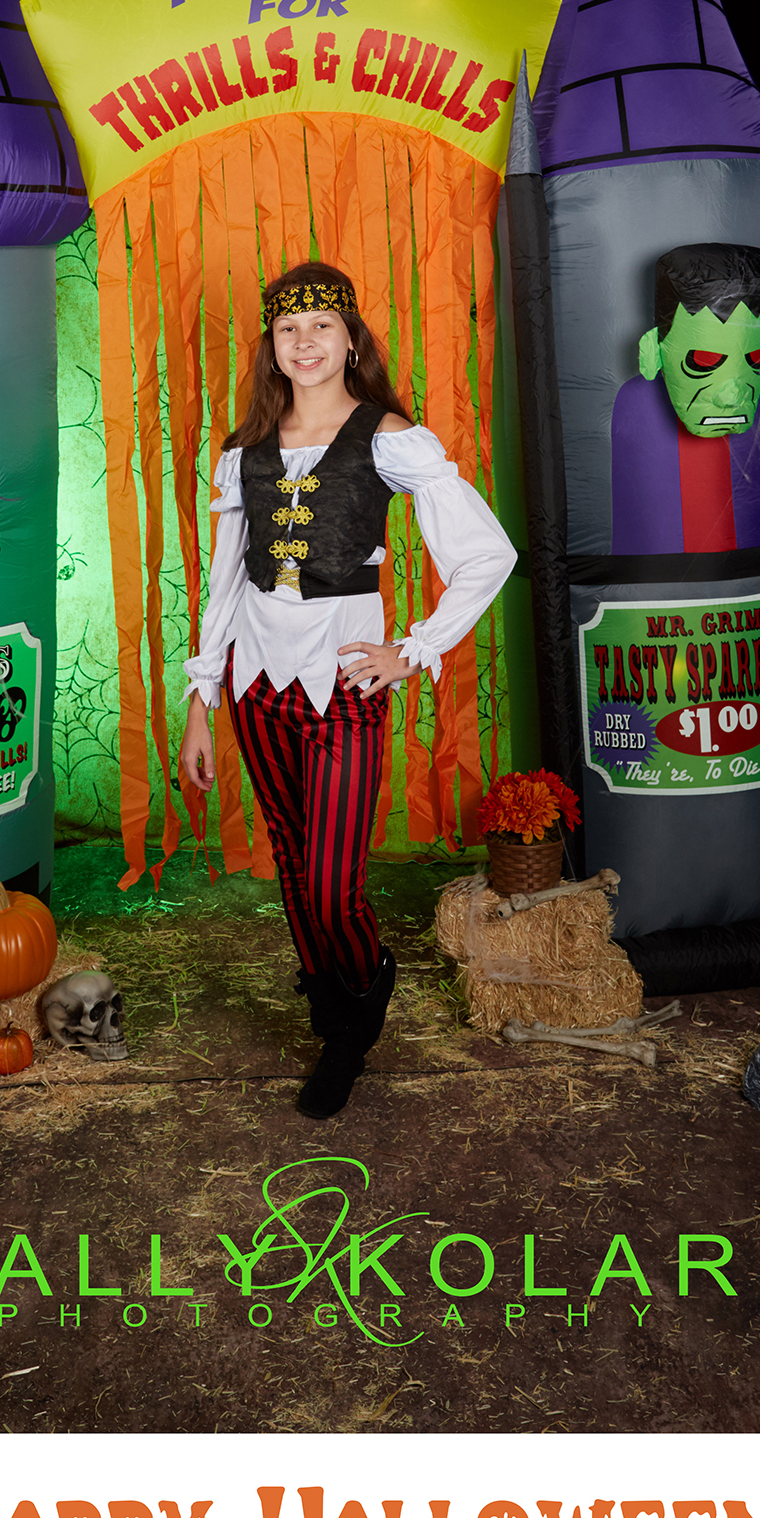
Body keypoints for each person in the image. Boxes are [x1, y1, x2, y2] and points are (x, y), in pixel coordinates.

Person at [179, 260, 515, 1118]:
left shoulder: (388, 436)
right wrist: (200, 701)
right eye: (288, 329)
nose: (305, 342)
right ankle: (332, 1017)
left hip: (343, 683)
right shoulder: (244, 451)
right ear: (272, 347)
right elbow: (223, 584)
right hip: (256, 683)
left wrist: (414, 648)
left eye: (321, 326)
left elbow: (487, 554)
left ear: (350, 338)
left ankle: (362, 996)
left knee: (333, 883)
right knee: (294, 864)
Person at [610, 241, 760, 554]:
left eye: (758, 357)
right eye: (704, 360)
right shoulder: (637, 404)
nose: (731, 398)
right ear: (653, 352)